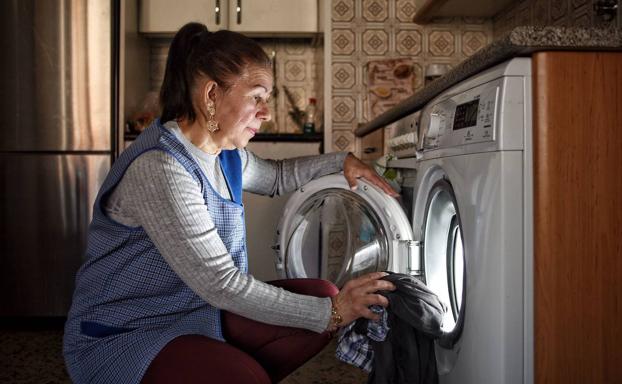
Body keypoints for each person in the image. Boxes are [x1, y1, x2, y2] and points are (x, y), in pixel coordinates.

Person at [63, 22, 398, 384]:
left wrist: (341, 162)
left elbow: (278, 177)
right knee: (280, 347)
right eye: (256, 96)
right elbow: (222, 284)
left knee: (319, 295)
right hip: (124, 333)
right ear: (211, 95)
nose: (266, 112)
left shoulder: (224, 152)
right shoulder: (161, 168)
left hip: (196, 315)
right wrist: (333, 312)